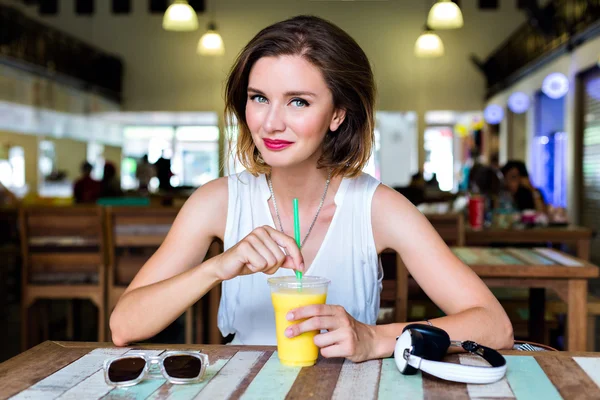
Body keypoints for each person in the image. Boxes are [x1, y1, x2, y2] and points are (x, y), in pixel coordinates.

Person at [110, 15, 513, 361]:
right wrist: (217, 266)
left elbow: (494, 326)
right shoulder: (216, 202)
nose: (270, 123)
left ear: (338, 113)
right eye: (259, 98)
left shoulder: (377, 207)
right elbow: (124, 326)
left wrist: (375, 337)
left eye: (298, 102)